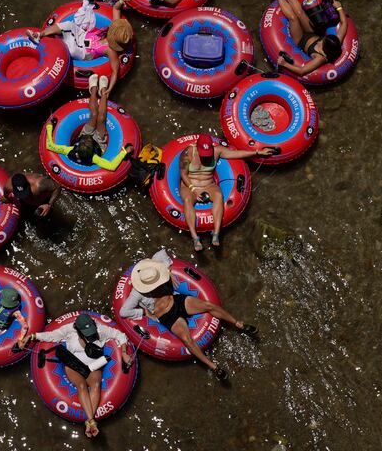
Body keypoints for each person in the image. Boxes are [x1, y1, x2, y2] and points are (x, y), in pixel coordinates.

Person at [119, 250, 256, 380]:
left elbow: (161, 253)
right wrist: (143, 312)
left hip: (176, 301)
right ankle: (214, 367)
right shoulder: (136, 293)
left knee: (208, 306)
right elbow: (123, 312)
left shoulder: (156, 270)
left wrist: (168, 270)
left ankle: (239, 324)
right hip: (167, 316)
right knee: (186, 339)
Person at [18, 313, 132, 438]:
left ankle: (90, 422)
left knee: (96, 384)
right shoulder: (69, 330)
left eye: (91, 332)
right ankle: (91, 421)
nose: (91, 335)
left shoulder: (101, 330)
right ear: (78, 330)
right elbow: (51, 336)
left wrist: (124, 353)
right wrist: (32, 336)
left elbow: (120, 335)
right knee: (81, 386)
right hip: (73, 365)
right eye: (87, 333)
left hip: (93, 366)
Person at [27, 0, 135, 97]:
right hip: (82, 36)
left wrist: (109, 89)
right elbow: (116, 8)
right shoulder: (114, 27)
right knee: (69, 24)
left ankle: (53, 50)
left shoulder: (111, 51)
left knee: (73, 49)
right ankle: (40, 35)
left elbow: (115, 71)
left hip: (84, 52)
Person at [180, 135, 275, 250]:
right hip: (189, 185)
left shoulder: (217, 151)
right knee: (187, 200)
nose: (206, 156)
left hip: (208, 184)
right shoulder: (187, 153)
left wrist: (258, 152)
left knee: (219, 195)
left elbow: (236, 154)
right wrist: (193, 189)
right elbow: (183, 174)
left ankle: (215, 234)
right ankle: (195, 238)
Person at [44, 76, 135, 169]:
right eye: (88, 141)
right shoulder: (94, 158)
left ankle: (93, 89)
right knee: (101, 118)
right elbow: (111, 166)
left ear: (78, 145)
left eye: (84, 141)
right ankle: (104, 92)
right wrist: (124, 152)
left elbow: (50, 146)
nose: (88, 139)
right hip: (99, 144)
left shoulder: (70, 150)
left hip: (84, 134)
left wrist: (49, 127)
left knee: (94, 115)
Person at [268, 0, 347, 77]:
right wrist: (339, 7)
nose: (321, 40)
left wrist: (284, 64)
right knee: (300, 13)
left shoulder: (320, 58)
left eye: (323, 41)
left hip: (300, 40)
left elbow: (302, 71)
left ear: (325, 47)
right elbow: (344, 23)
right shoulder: (336, 42)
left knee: (293, 18)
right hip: (311, 33)